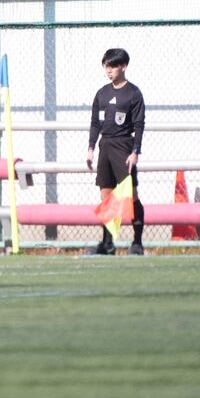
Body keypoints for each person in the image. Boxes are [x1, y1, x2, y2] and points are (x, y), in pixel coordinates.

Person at [86, 48, 146, 256]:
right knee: (107, 196)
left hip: (123, 147)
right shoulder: (102, 93)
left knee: (130, 195)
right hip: (105, 147)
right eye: (106, 66)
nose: (108, 70)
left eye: (112, 66)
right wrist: (91, 147)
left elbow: (139, 124)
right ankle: (108, 243)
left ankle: (137, 243)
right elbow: (95, 123)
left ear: (123, 66)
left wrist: (135, 151)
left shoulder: (133, 93)